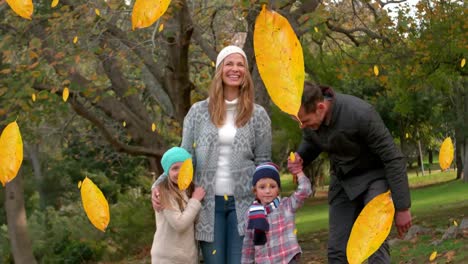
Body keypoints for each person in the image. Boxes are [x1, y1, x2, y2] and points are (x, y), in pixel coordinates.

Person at [152, 45, 272, 263]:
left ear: (246, 72)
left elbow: (264, 162)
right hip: (207, 204)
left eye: (240, 64)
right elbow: (184, 157)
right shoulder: (198, 113)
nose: (235, 69)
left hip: (244, 203)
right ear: (220, 70)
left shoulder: (259, 115)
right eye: (229, 63)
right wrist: (158, 185)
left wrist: (268, 198)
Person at [287, 81, 412, 263]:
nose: (302, 126)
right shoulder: (311, 123)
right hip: (343, 179)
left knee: (373, 243)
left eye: (305, 121)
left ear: (320, 107)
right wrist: (301, 157)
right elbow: (312, 141)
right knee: (337, 250)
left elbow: (393, 158)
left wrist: (402, 207)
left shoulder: (361, 114)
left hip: (374, 176)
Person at [241, 161, 313, 264]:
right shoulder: (250, 214)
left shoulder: (286, 205)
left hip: (288, 259)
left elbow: (305, 190)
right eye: (262, 187)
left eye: (272, 186)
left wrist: (298, 172)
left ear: (278, 189)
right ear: (255, 191)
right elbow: (248, 245)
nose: (267, 191)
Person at [150, 147, 206, 264]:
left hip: (186, 258)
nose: (180, 172)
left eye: (184, 167)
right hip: (167, 258)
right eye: (175, 168)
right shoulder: (164, 193)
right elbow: (179, 224)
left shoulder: (187, 191)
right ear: (167, 172)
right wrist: (195, 200)